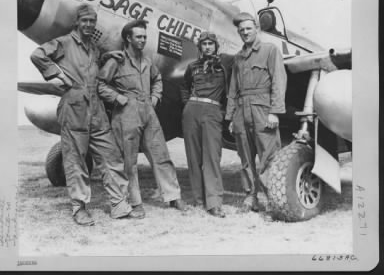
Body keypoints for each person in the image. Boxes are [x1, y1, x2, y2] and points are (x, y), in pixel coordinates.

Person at [30, 3, 141, 226]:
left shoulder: (93, 48)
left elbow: (95, 71)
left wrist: (109, 56)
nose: (89, 25)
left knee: (111, 156)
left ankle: (119, 205)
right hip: (74, 107)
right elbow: (38, 54)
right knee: (75, 160)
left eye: (92, 21)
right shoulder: (64, 43)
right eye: (85, 21)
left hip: (97, 108)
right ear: (77, 22)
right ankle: (79, 208)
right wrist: (56, 75)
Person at [97, 19, 188, 218]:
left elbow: (157, 79)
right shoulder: (116, 61)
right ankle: (135, 202)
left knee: (160, 154)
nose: (143, 40)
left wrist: (155, 97)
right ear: (128, 38)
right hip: (126, 113)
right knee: (129, 162)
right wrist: (118, 98)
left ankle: (173, 196)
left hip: (148, 111)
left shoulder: (147, 61)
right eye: (139, 37)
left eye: (145, 37)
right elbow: (100, 84)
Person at [225, 12, 287, 212]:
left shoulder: (270, 50)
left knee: (269, 156)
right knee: (245, 158)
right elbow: (233, 90)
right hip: (242, 112)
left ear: (257, 29)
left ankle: (272, 201)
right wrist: (231, 116)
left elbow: (279, 81)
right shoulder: (238, 58)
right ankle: (250, 197)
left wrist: (275, 111)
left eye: (248, 28)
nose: (245, 32)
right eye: (241, 30)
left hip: (263, 109)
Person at [180, 32, 232, 218]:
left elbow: (232, 88)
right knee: (194, 158)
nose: (208, 47)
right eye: (204, 44)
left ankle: (214, 202)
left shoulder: (224, 65)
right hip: (192, 110)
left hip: (213, 111)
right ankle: (199, 200)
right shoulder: (192, 66)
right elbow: (184, 86)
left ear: (216, 46)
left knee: (212, 157)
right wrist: (187, 104)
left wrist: (224, 112)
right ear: (200, 47)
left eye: (211, 43)